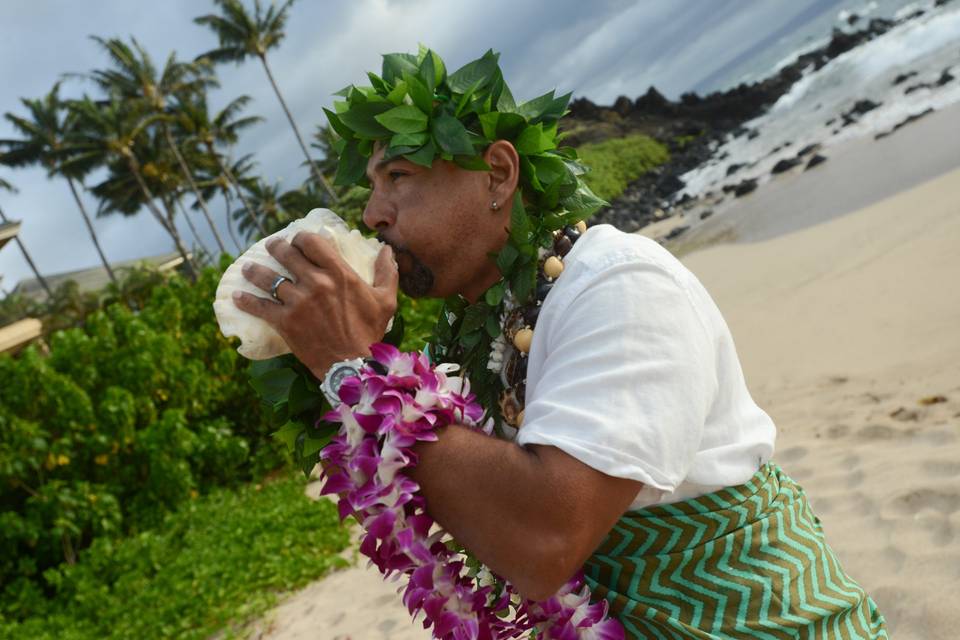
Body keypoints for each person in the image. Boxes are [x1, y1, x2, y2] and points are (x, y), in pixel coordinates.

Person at [232, 49, 888, 638]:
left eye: (399, 175)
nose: (373, 213)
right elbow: (473, 500)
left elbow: (544, 541)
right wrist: (355, 359)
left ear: (497, 174)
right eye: (370, 190)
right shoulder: (470, 338)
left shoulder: (619, 283)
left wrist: (352, 364)